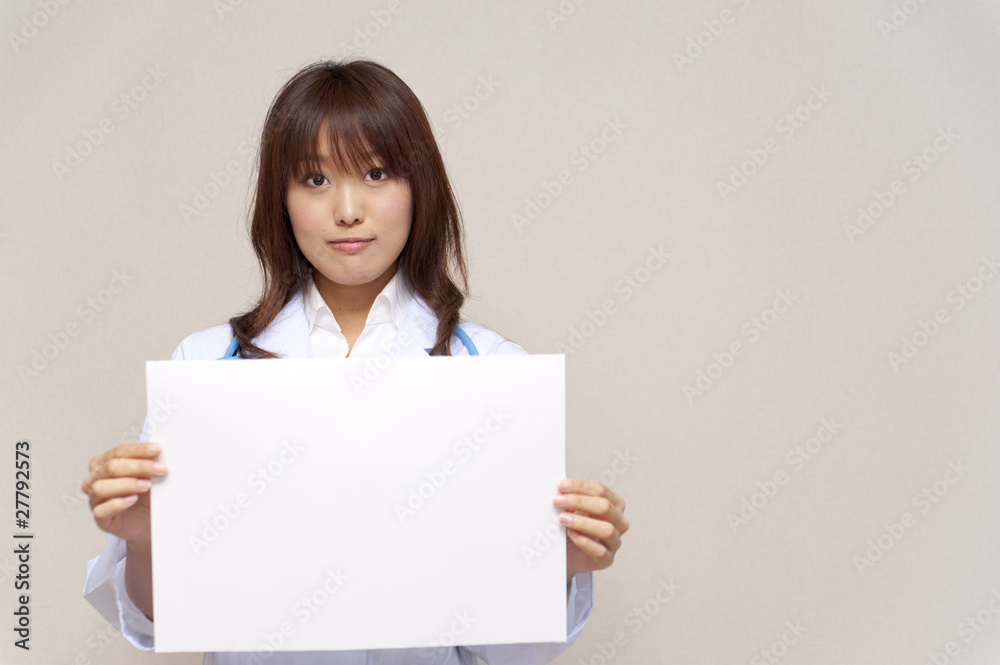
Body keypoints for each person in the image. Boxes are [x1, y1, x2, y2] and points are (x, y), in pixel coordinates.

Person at [81, 59, 630, 665]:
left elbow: (508, 649)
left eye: (376, 173)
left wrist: (557, 569)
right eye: (314, 180)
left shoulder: (493, 371)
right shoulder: (209, 367)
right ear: (280, 200)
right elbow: (162, 624)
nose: (347, 209)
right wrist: (147, 541)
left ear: (420, 187)